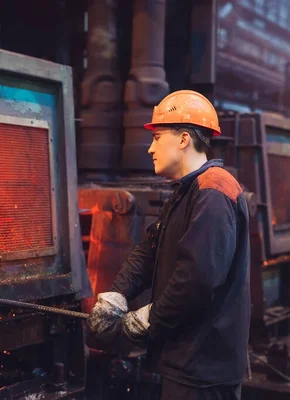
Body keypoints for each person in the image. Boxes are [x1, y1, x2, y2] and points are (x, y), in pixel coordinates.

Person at [87, 90, 251, 400]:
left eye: (157, 137)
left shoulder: (213, 191)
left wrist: (142, 321)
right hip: (187, 361)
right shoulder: (188, 191)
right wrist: (115, 296)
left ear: (183, 139)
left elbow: (196, 282)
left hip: (204, 369)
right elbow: (150, 251)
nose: (150, 148)